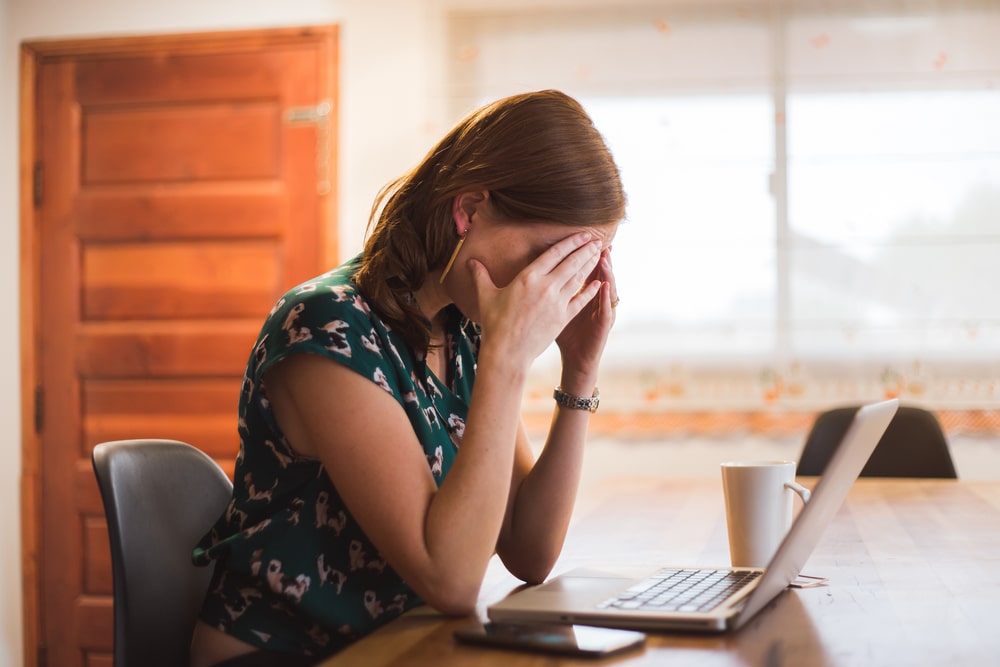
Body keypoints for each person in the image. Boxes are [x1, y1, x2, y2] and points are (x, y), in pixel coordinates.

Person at [189, 89, 625, 666]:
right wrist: (508, 359)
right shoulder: (327, 324)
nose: (553, 287)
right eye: (547, 255)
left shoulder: (464, 330)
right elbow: (449, 582)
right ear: (468, 210)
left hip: (403, 646)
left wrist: (581, 370)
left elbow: (529, 550)